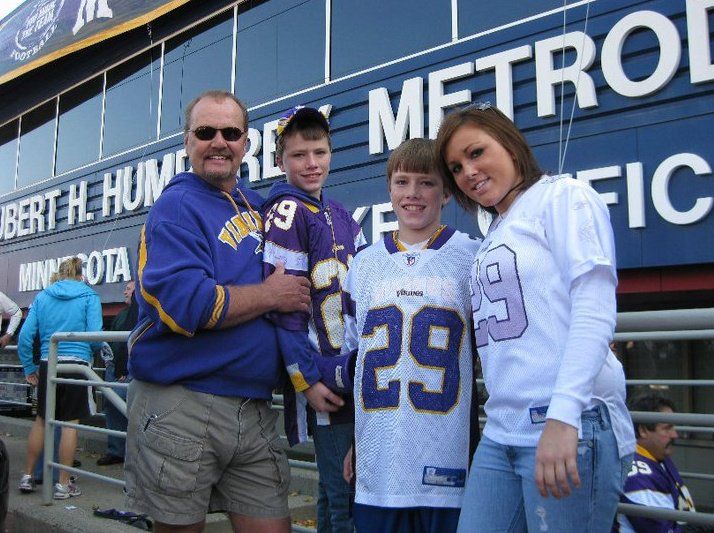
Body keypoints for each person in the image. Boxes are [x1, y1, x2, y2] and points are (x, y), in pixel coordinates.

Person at [124, 90, 338, 533]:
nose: (218, 141)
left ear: (246, 143)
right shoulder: (176, 207)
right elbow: (188, 304)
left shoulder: (258, 204)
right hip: (182, 402)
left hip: (255, 407)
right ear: (187, 142)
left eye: (231, 132)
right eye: (206, 132)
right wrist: (271, 295)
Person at [435, 103, 635, 532]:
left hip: (570, 422)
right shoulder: (495, 233)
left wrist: (565, 418)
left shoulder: (563, 197)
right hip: (502, 429)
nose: (467, 172)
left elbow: (594, 306)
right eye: (455, 167)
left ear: (509, 143)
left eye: (476, 152)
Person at [318, 138, 481, 532]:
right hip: (380, 462)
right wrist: (358, 439)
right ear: (389, 188)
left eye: (426, 182)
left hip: (447, 459)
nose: (412, 194)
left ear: (446, 192)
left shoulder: (472, 255)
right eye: (402, 181)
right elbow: (359, 365)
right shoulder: (366, 264)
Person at [262, 105, 366, 532]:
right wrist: (307, 379)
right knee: (345, 495)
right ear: (280, 160)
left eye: (319, 152)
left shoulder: (341, 215)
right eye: (299, 154)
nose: (311, 164)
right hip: (324, 375)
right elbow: (283, 309)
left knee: (334, 492)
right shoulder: (286, 211)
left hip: (351, 370)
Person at [17, 256, 103, 500]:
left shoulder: (43, 296)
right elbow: (95, 336)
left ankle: (27, 476)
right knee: (70, 424)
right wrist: (96, 352)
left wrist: (29, 367)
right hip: (77, 364)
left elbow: (25, 337)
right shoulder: (89, 296)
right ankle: (63, 485)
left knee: (42, 420)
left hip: (48, 362)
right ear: (80, 274)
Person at [615, 394, 697, 532]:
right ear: (643, 430)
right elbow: (661, 529)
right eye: (667, 428)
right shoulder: (637, 475)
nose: (675, 435)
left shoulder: (657, 456)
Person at [97, 280, 138, 466]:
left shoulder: (138, 313)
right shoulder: (122, 314)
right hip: (113, 366)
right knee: (111, 406)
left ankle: (130, 452)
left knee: (126, 406)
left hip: (126, 369)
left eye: (129, 289)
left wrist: (123, 367)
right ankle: (116, 450)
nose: (125, 292)